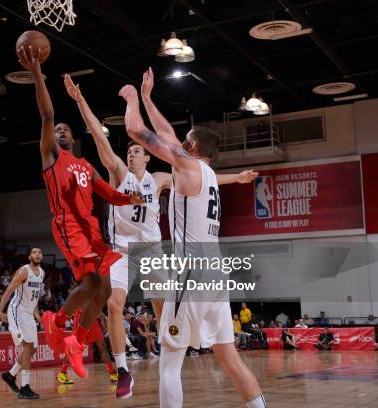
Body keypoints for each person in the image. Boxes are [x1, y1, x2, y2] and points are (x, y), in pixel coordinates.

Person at [120, 70, 266, 408]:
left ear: (193, 147)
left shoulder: (186, 166)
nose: (179, 143)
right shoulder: (209, 174)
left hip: (192, 275)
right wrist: (147, 98)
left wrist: (130, 101)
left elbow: (135, 131)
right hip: (216, 277)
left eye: (185, 141)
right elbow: (168, 134)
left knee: (170, 360)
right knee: (229, 358)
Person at [17, 45, 143, 380]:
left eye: (64, 130)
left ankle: (74, 340)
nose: (59, 132)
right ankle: (57, 323)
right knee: (90, 284)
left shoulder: (85, 166)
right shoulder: (51, 157)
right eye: (56, 131)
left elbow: (109, 195)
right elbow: (46, 115)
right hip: (68, 226)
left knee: (102, 289)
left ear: (73, 138)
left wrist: (130, 199)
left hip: (91, 230)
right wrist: (36, 76)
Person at [0, 247, 45, 399]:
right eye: (34, 252)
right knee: (27, 346)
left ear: (42, 257)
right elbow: (9, 290)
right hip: (16, 311)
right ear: (30, 256)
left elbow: (34, 297)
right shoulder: (24, 271)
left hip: (29, 314)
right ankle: (25, 388)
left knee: (32, 350)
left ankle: (10, 375)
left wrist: (37, 314)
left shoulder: (42, 273)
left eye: (40, 253)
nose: (37, 254)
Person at [57, 310, 118, 386]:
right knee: (74, 348)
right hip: (81, 318)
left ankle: (112, 373)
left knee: (102, 346)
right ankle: (62, 373)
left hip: (92, 319)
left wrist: (100, 314)